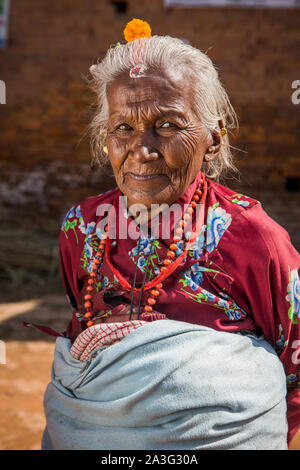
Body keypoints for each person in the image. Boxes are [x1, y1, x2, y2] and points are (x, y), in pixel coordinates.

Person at [41, 19, 300, 450]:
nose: (142, 149)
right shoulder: (82, 227)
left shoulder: (251, 236)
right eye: (123, 127)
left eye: (167, 124)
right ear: (106, 140)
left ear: (212, 139)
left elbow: (296, 360)